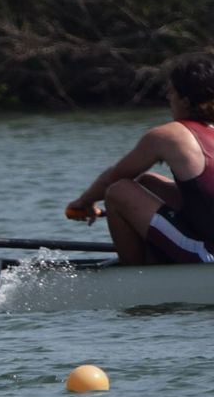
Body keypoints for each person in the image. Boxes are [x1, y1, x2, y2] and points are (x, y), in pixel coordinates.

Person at [66, 53, 214, 265]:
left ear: (185, 100)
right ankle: (155, 258)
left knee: (119, 191)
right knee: (148, 182)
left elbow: (114, 178)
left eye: (171, 92)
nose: (168, 98)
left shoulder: (170, 135)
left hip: (207, 256)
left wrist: (83, 202)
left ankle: (137, 276)